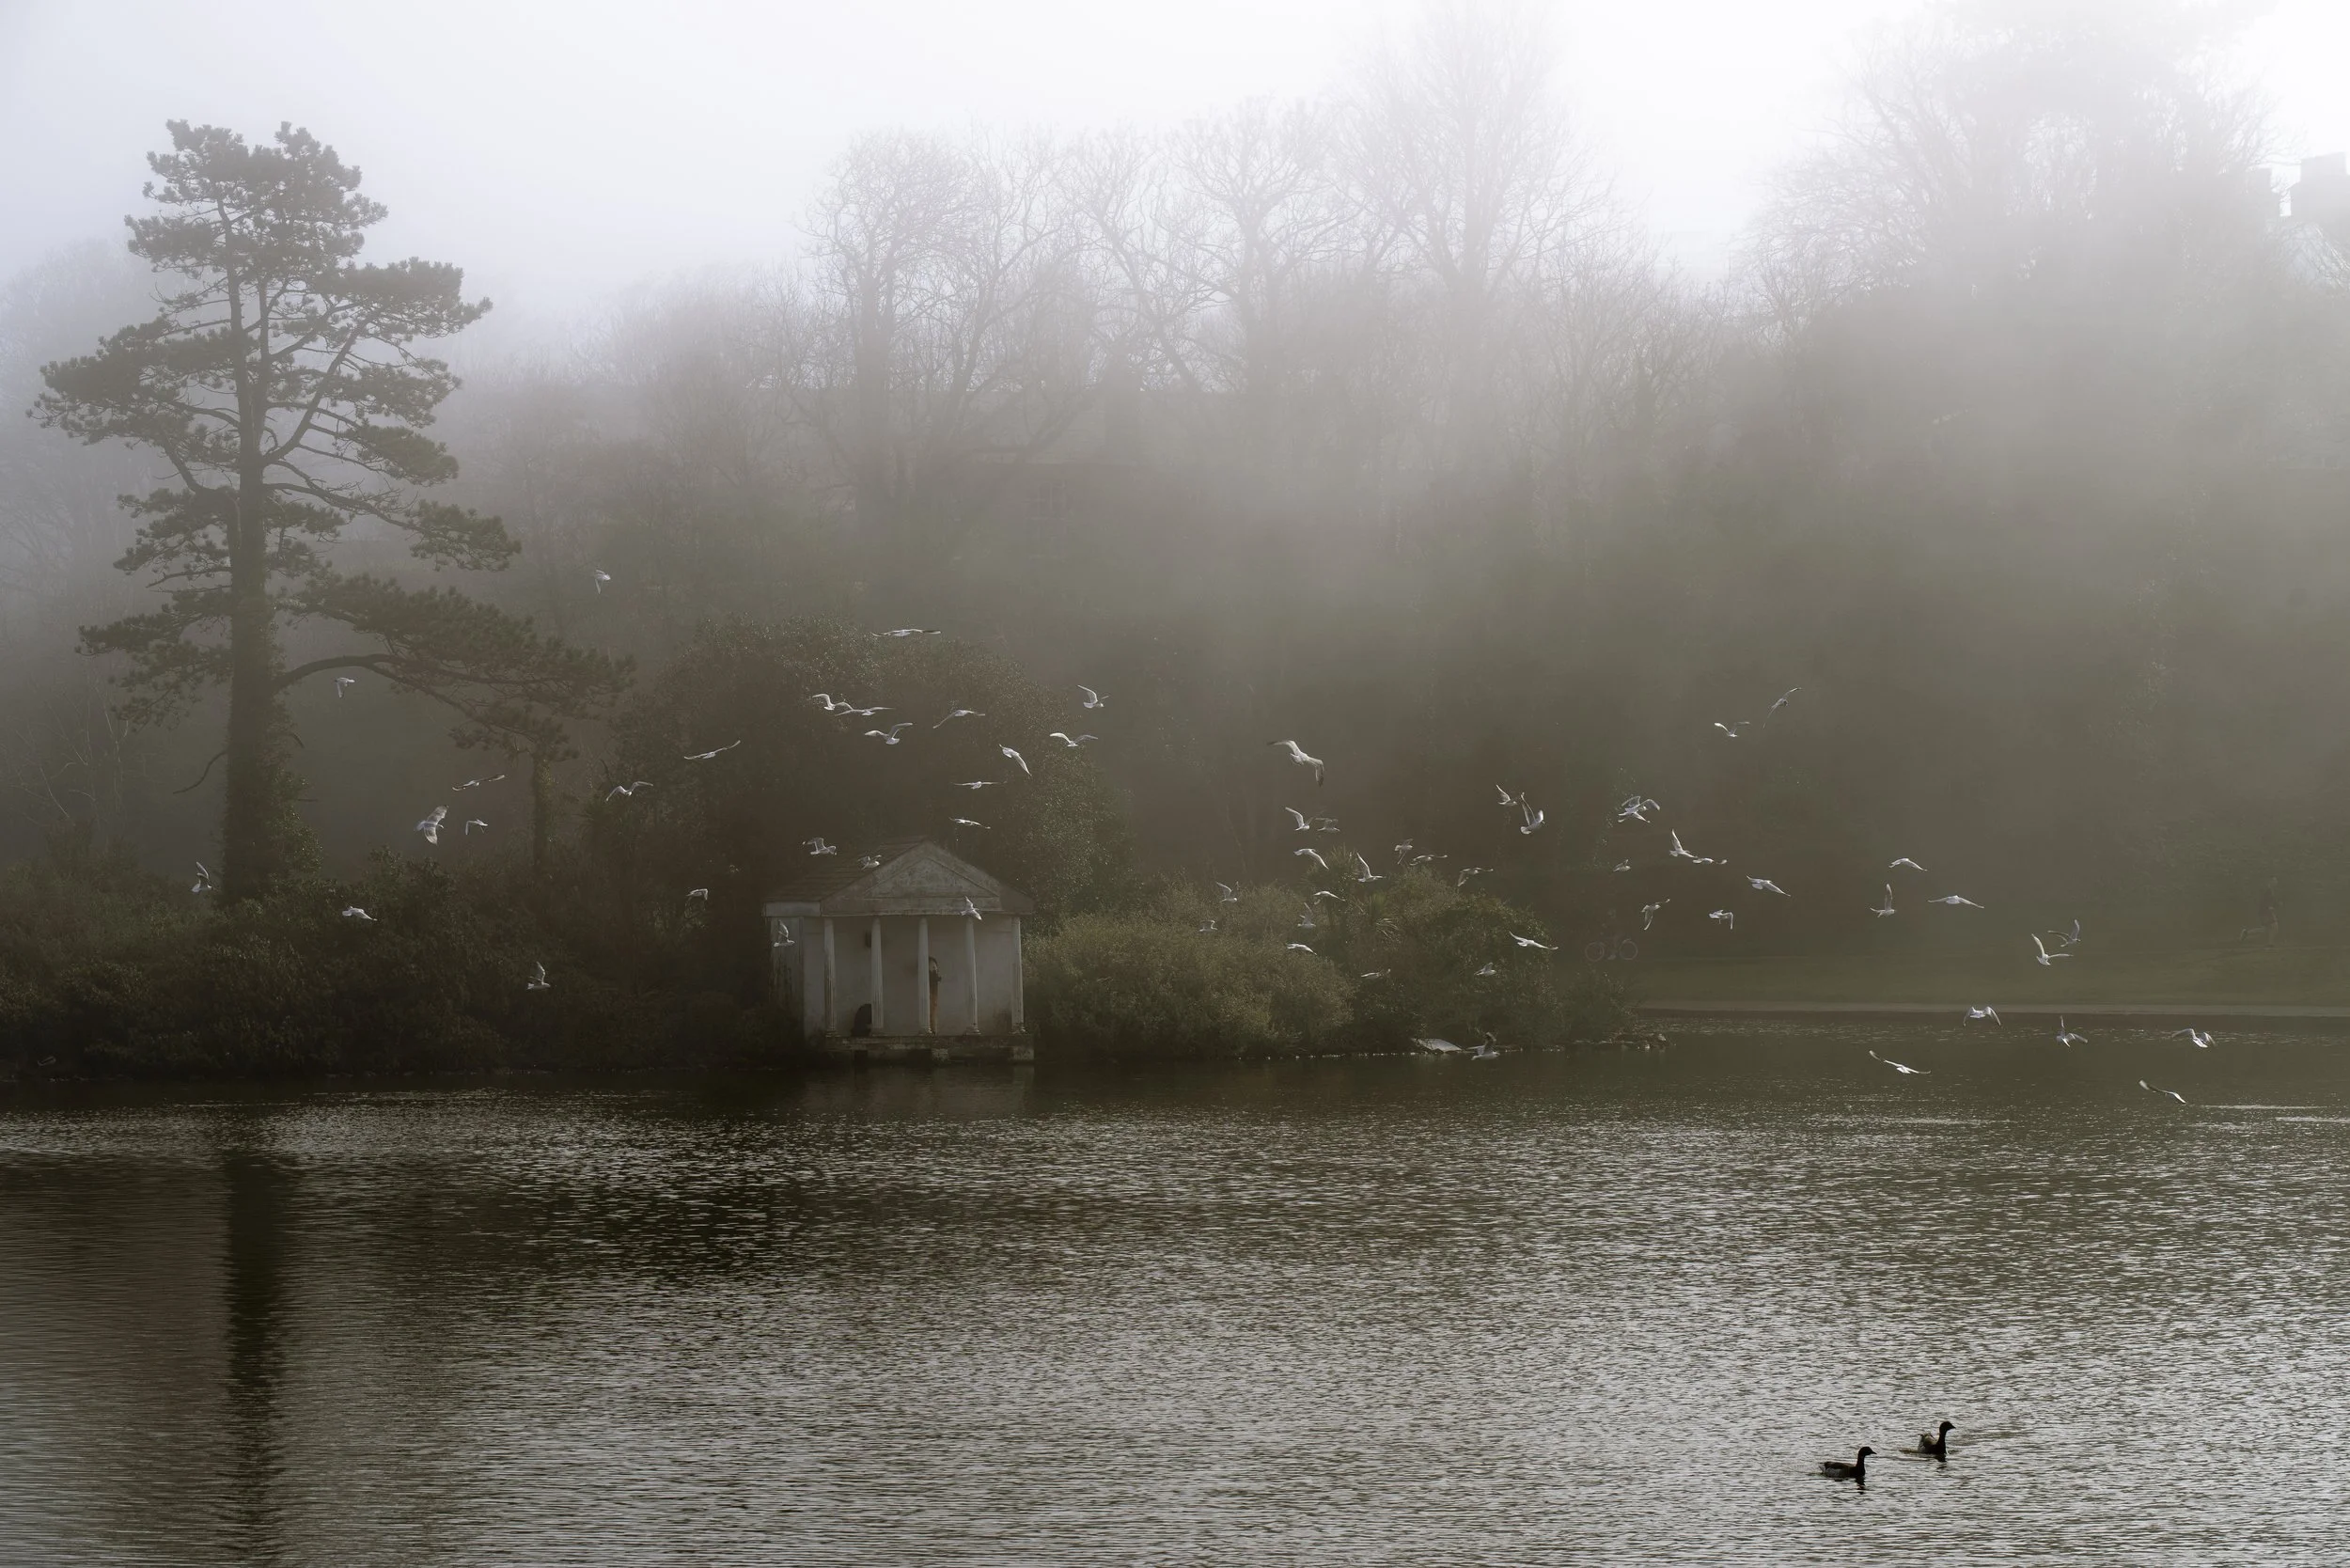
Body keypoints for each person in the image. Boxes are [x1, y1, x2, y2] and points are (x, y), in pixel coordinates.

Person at [2257, 879, 2280, 945]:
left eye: (2276, 880)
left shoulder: (2271, 890)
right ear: (2270, 881)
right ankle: (2270, 943)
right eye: (2274, 880)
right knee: (2274, 926)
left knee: (2265, 929)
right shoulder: (2267, 890)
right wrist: (2268, 907)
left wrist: (2277, 904)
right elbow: (2262, 900)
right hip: (2265, 912)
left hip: (2266, 911)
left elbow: (2272, 900)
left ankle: (2246, 933)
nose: (2276, 882)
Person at [928, 955, 943, 1033]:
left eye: (935, 967)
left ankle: (934, 1031)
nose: (935, 969)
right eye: (933, 967)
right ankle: (932, 1030)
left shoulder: (934, 979)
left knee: (933, 1012)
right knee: (931, 1012)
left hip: (933, 991)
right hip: (930, 991)